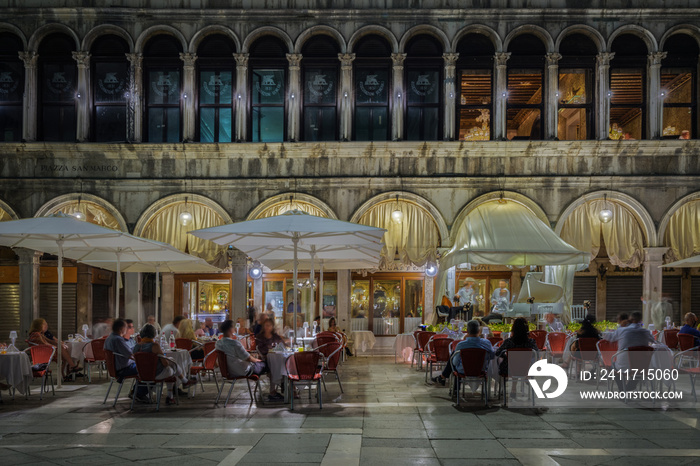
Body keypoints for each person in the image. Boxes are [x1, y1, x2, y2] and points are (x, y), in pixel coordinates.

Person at [133, 324, 196, 405]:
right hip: (156, 374)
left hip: (141, 375)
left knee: (172, 363)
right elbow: (165, 364)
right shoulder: (155, 346)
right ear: (153, 334)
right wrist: (168, 362)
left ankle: (183, 383)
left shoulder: (136, 347)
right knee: (172, 369)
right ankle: (172, 394)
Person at [431, 319, 494, 386]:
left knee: (454, 360)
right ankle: (443, 377)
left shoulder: (461, 345)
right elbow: (492, 356)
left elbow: (455, 362)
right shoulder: (487, 343)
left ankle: (455, 389)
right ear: (479, 331)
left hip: (463, 371)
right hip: (481, 370)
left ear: (467, 331)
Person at [105, 318, 148, 401]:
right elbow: (130, 354)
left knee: (144, 367)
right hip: (123, 368)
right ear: (121, 329)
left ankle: (136, 391)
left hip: (115, 368)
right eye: (126, 327)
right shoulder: (118, 340)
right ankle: (139, 393)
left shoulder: (109, 338)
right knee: (146, 369)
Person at [495, 317, 538, 397]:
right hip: (526, 369)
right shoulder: (531, 342)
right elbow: (537, 354)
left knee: (512, 363)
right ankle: (524, 380)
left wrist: (506, 355)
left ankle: (512, 389)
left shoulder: (509, 342)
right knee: (521, 363)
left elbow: (498, 352)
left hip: (509, 369)